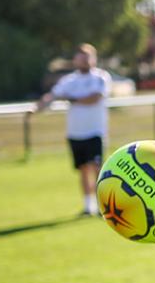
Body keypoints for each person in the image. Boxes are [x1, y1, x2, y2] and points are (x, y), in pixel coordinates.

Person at [34, 44, 111, 216]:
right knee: (83, 169)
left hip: (95, 132)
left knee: (97, 168)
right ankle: (87, 206)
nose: (84, 60)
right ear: (75, 60)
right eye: (80, 57)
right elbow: (52, 96)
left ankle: (103, 206)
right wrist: (38, 107)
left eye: (87, 56)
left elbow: (94, 98)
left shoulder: (100, 77)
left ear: (93, 58)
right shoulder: (69, 81)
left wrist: (71, 98)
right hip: (76, 133)